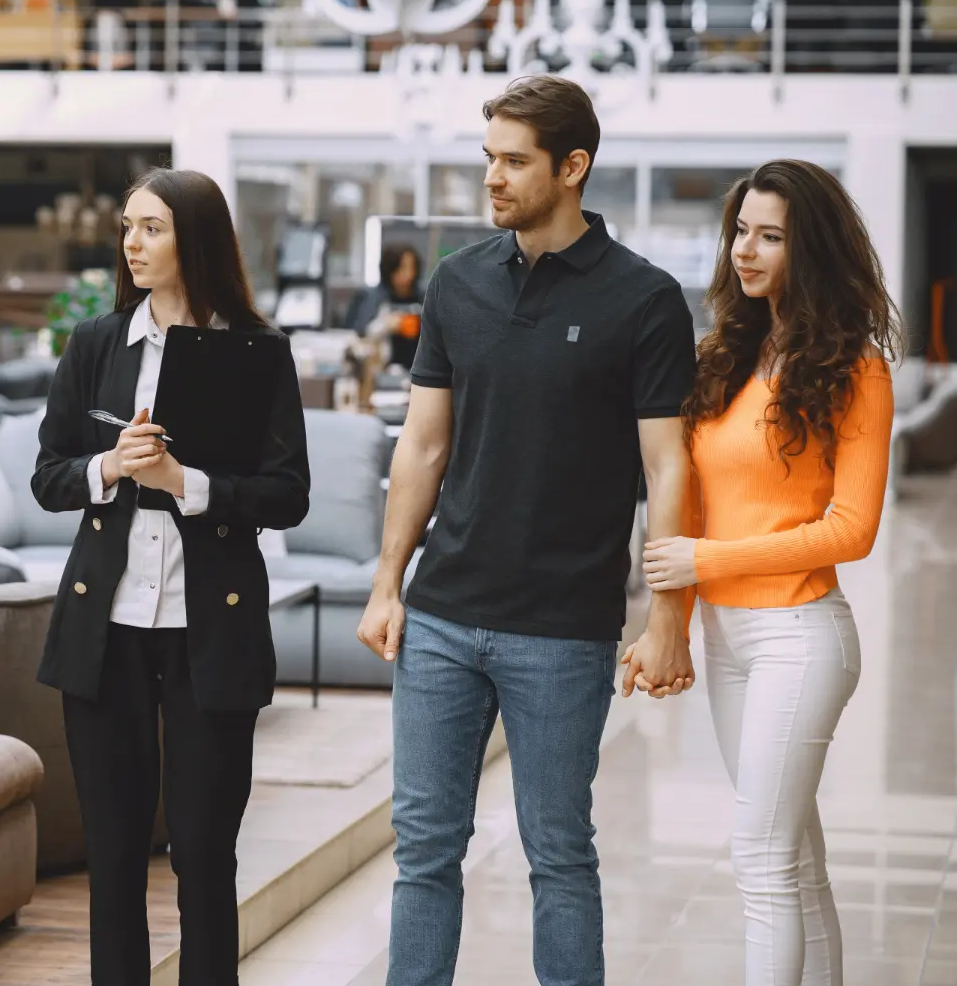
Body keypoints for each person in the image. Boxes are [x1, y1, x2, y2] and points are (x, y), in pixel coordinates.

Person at [355, 74, 699, 986]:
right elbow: (423, 447)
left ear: (573, 168)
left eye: (515, 162)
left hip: (562, 627)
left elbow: (669, 467)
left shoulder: (646, 299)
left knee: (558, 854)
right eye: (489, 160)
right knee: (423, 852)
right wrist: (389, 582)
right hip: (441, 615)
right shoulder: (459, 282)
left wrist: (667, 616)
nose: (493, 180)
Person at [31, 167, 310, 986]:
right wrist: (110, 467)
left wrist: (186, 484)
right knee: (113, 857)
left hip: (209, 632)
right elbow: (49, 476)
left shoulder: (258, 353)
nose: (132, 244)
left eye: (151, 228)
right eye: (127, 227)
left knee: (203, 854)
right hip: (103, 632)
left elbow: (287, 495)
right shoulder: (94, 344)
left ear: (196, 238)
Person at [642, 159, 899, 986]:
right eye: (741, 231)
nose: (746, 250)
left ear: (810, 248)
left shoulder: (857, 369)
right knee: (795, 858)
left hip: (800, 637)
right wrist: (671, 627)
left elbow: (852, 530)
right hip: (726, 640)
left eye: (771, 236)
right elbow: (688, 501)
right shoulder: (726, 357)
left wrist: (705, 562)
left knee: (760, 858)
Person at [343, 244, 424, 368]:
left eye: (411, 268)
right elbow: (357, 334)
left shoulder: (423, 299)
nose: (408, 274)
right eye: (401, 268)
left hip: (416, 367)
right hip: (380, 367)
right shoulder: (372, 298)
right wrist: (386, 325)